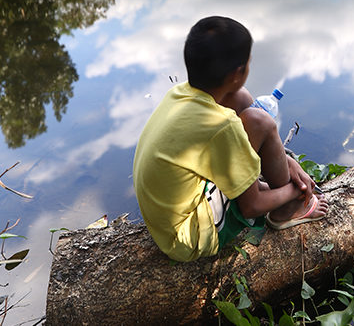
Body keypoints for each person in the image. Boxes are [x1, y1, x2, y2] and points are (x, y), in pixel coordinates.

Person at [133, 16, 328, 261]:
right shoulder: (224, 127)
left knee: (242, 100)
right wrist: (292, 191)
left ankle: (273, 180)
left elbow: (237, 104)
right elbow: (251, 206)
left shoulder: (180, 93)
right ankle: (286, 209)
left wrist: (287, 161)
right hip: (186, 238)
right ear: (238, 72)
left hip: (165, 217)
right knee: (262, 122)